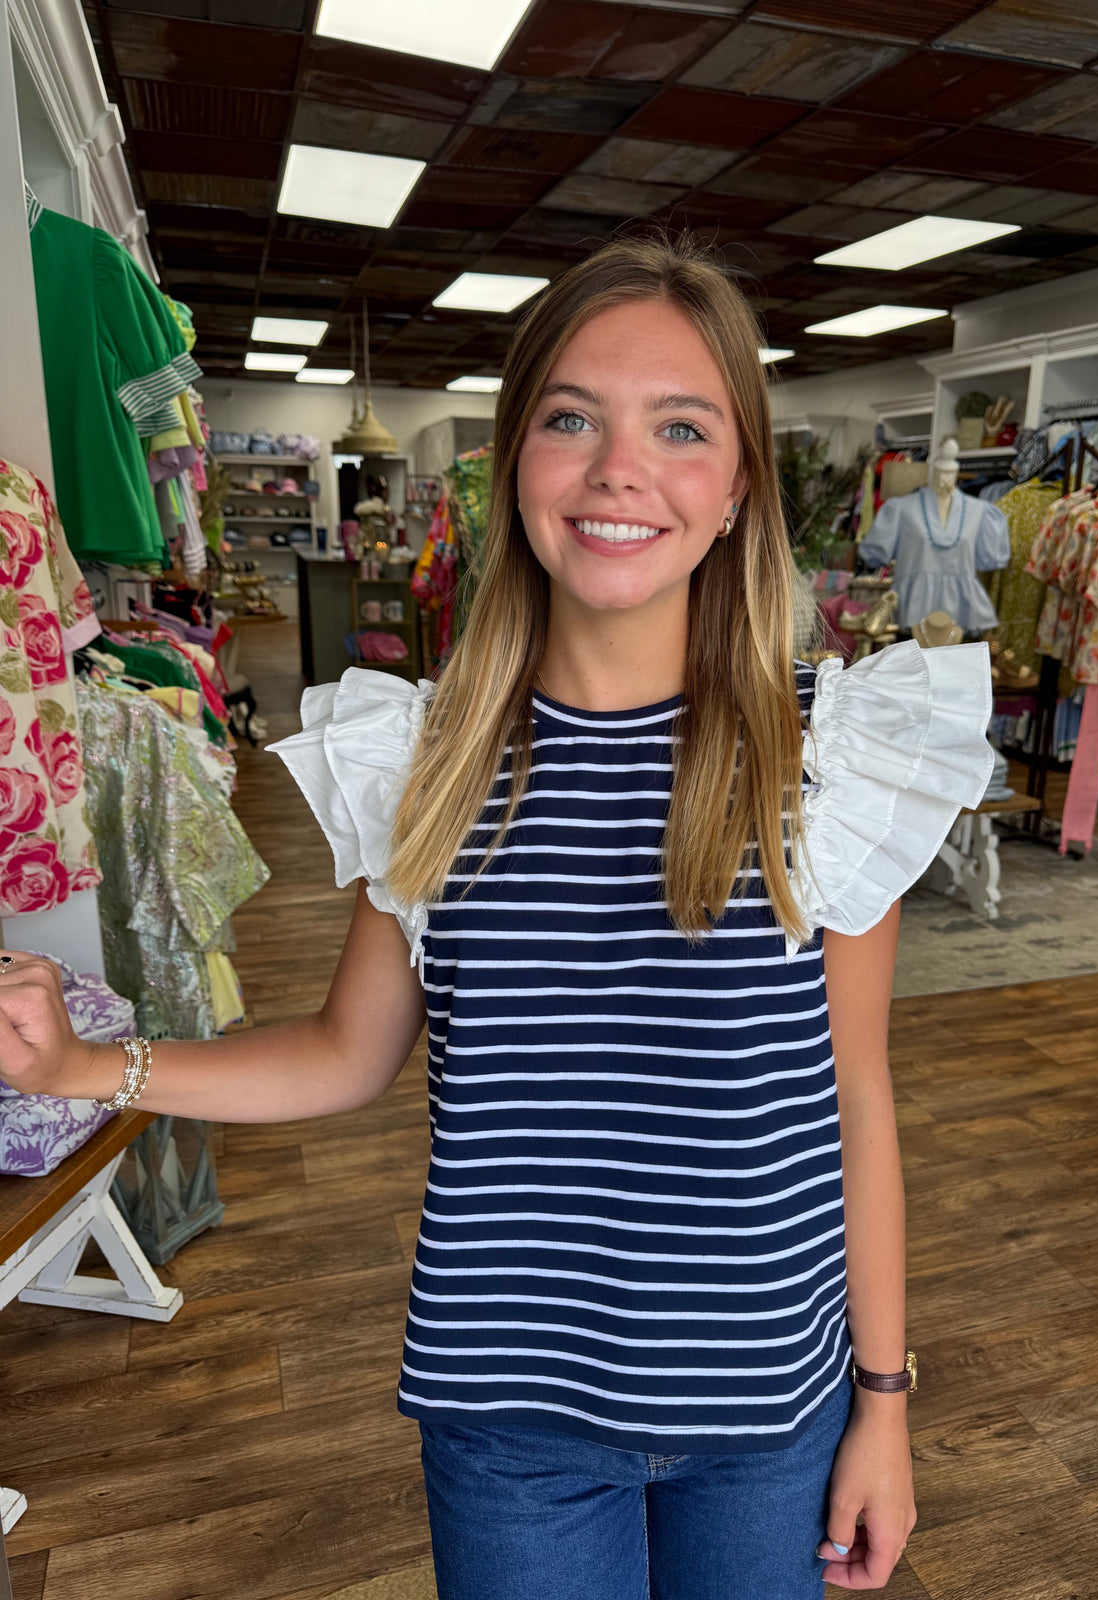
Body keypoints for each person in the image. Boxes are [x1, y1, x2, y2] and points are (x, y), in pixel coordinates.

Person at [0, 228, 993, 1598]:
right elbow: (347, 1054)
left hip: (768, 1414)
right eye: (571, 417)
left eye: (682, 428)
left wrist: (885, 1402)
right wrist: (80, 1069)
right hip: (509, 1418)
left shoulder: (829, 760)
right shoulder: (430, 760)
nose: (618, 470)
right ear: (513, 462)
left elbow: (855, 1101)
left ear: (737, 486)